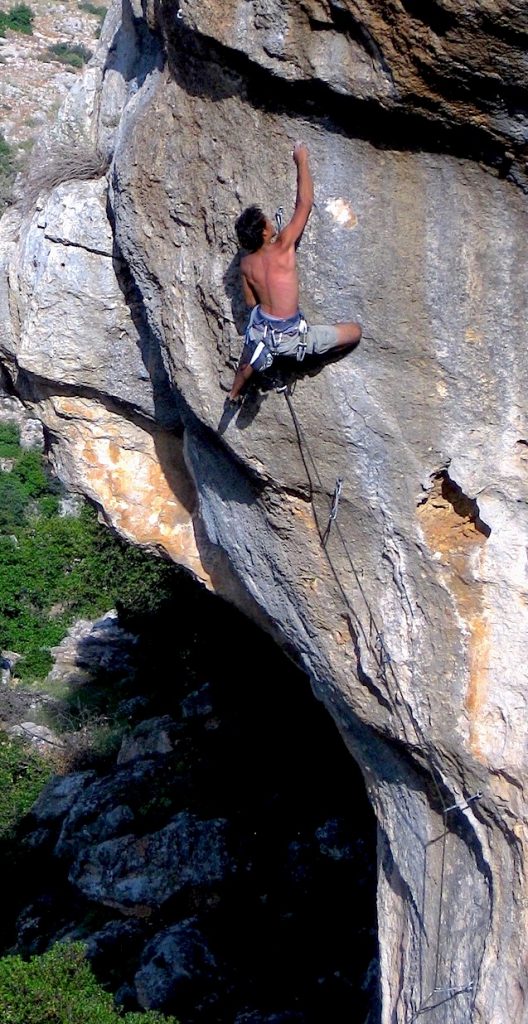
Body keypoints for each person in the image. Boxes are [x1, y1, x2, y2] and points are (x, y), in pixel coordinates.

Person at [228, 142, 362, 402]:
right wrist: (302, 160)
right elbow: (305, 203)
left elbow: (250, 302)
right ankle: (304, 362)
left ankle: (234, 393)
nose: (269, 220)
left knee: (250, 356)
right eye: (266, 220)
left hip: (263, 331)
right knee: (354, 332)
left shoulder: (246, 264)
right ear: (265, 232)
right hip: (291, 338)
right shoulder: (284, 244)